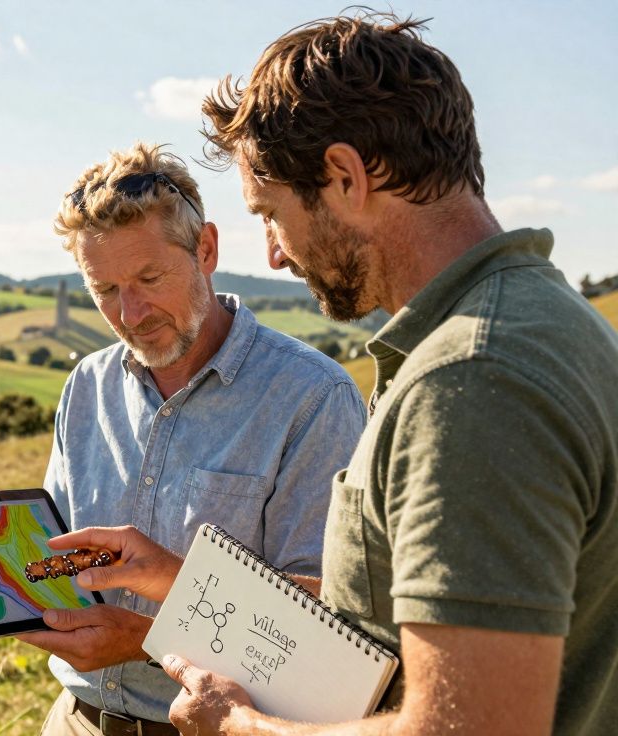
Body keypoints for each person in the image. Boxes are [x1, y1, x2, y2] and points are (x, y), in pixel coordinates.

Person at [73, 13, 618, 735]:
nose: (273, 254)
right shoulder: (535, 319)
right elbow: (385, 633)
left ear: (346, 177)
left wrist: (240, 727)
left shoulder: (470, 378)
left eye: (270, 214)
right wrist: (178, 584)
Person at [17, 143, 366, 735]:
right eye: (103, 290)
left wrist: (150, 639)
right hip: (72, 720)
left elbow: (331, 629)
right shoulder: (87, 385)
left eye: (150, 277)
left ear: (205, 248)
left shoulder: (312, 397)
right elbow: (57, 557)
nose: (130, 313)